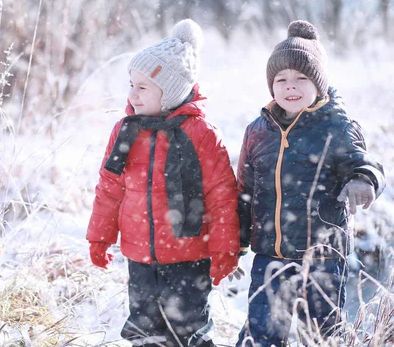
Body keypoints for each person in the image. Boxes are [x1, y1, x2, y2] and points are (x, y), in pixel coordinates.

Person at [86, 19, 241, 347]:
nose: (132, 94)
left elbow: (221, 195)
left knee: (190, 333)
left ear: (169, 92)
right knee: (145, 332)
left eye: (143, 87)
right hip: (139, 257)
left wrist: (224, 248)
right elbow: (109, 186)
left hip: (188, 258)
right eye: (131, 84)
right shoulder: (126, 130)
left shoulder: (201, 134)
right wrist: (99, 238)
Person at [235, 20, 385, 347]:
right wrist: (237, 242)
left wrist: (363, 180)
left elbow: (366, 163)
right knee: (261, 331)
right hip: (270, 254)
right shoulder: (258, 131)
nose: (291, 85)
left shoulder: (335, 126)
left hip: (323, 256)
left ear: (319, 85)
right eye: (282, 79)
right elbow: (244, 191)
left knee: (321, 332)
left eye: (302, 78)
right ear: (271, 86)